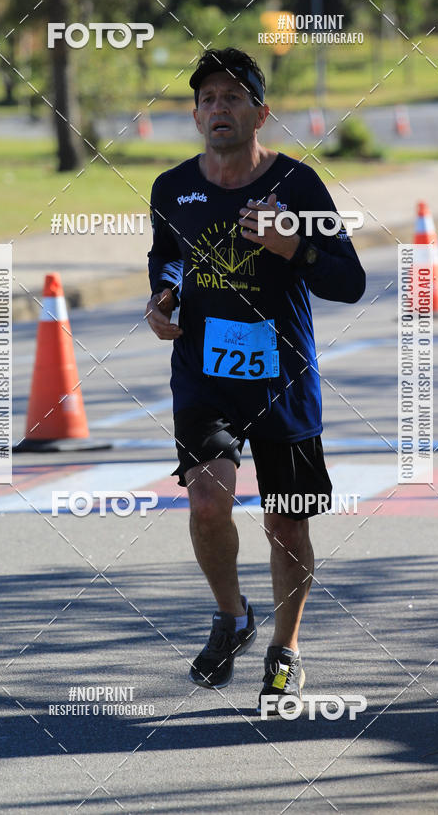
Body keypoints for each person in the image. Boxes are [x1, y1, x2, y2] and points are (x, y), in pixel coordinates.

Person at [145, 47, 365, 713]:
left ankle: (286, 649)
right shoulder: (171, 187)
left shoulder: (297, 186)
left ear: (261, 113)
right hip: (205, 376)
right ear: (194, 114)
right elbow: (166, 257)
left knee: (288, 526)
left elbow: (349, 282)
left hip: (283, 378)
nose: (218, 108)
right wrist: (162, 298)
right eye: (207, 99)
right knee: (208, 502)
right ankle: (232, 614)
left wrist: (291, 244)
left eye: (232, 97)